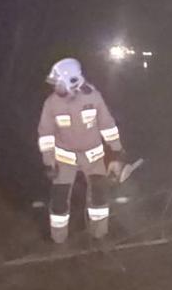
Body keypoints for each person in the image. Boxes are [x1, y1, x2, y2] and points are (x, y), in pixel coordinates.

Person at [36, 58, 127, 243]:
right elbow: (46, 134)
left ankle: (99, 235)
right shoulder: (51, 103)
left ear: (73, 81)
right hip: (64, 160)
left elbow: (108, 126)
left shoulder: (93, 98)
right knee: (59, 200)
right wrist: (49, 161)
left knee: (99, 198)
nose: (56, 87)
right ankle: (58, 240)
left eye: (59, 82)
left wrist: (117, 152)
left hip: (93, 157)